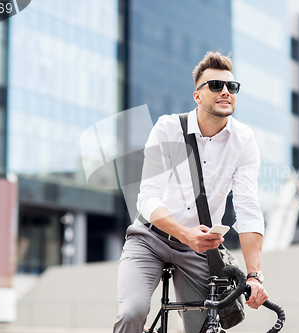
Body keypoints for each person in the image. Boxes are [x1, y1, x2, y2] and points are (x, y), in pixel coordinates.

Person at [113, 51, 268, 333]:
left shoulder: (244, 140)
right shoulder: (168, 128)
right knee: (131, 312)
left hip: (200, 248)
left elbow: (248, 209)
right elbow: (147, 196)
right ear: (197, 96)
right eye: (215, 86)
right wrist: (185, 234)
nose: (225, 92)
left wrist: (255, 275)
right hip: (150, 237)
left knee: (205, 327)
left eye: (231, 87)